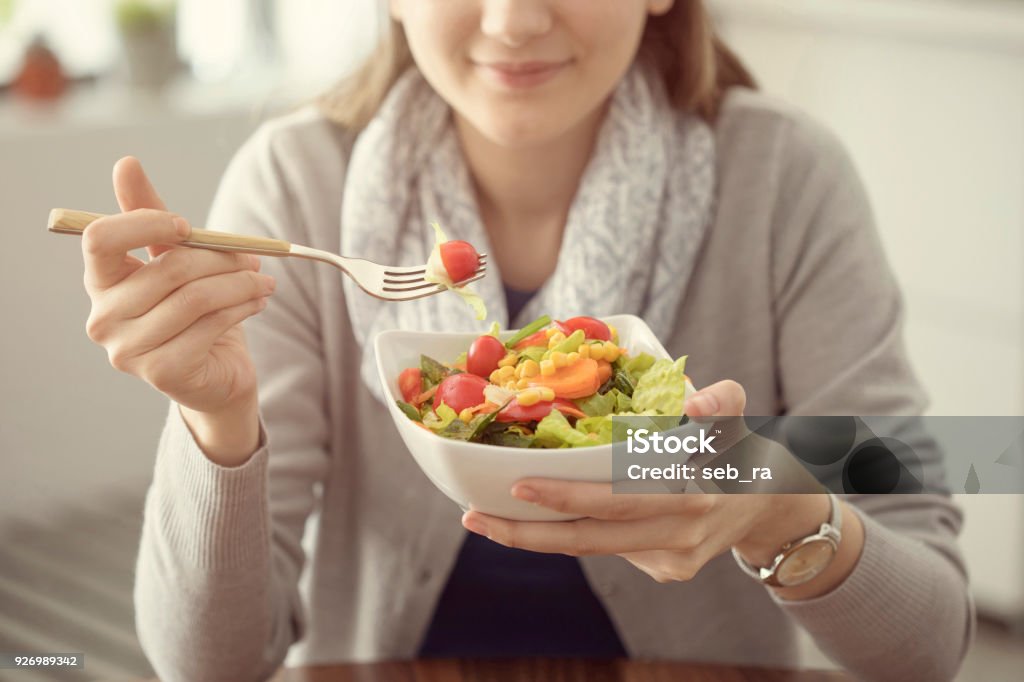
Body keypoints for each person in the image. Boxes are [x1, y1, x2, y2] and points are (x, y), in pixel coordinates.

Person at [77, 1, 974, 681]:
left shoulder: (786, 180)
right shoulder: (295, 184)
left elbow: (930, 638)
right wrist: (217, 421)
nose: (513, 22)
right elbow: (209, 664)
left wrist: (777, 505)